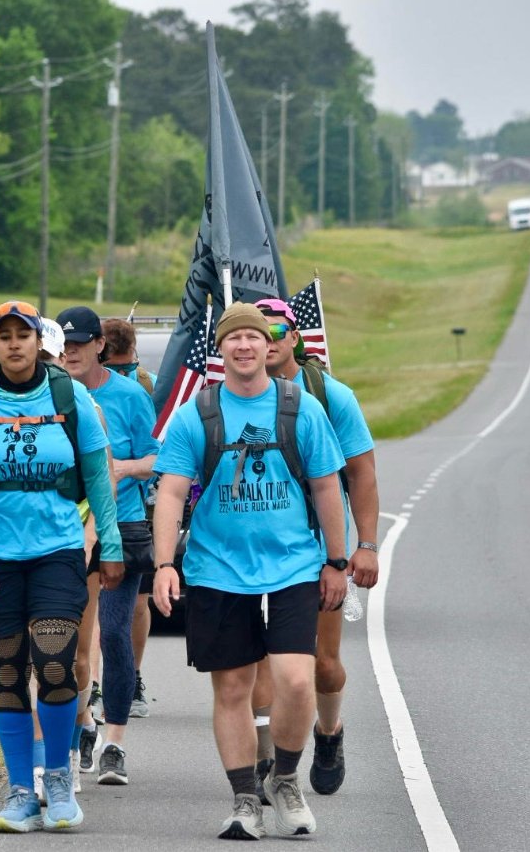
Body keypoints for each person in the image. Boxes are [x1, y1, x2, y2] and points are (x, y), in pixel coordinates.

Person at [151, 302, 348, 840]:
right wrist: (164, 564)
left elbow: (329, 485)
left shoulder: (300, 408)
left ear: (269, 346)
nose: (244, 346)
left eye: (253, 337)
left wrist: (337, 560)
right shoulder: (198, 414)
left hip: (292, 567)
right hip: (216, 569)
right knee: (233, 688)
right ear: (221, 348)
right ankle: (244, 800)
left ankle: (284, 779)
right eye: (233, 337)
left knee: (294, 679)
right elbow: (170, 491)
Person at [0, 300, 123, 833]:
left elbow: (98, 476)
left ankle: (59, 781)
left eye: (24, 334)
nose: (15, 343)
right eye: (5, 336)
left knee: (53, 665)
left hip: (58, 552)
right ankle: (21, 792)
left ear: (36, 341)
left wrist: (109, 544)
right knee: (6, 674)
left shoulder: (73, 397)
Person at [250, 297, 380, 798]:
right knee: (259, 664)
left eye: (279, 327)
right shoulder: (232, 395)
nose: (270, 337)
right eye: (260, 328)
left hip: (316, 552)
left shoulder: (331, 396)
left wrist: (362, 546)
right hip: (250, 551)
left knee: (322, 665)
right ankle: (265, 764)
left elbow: (361, 473)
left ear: (295, 336)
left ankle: (329, 733)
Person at [56, 305, 159, 785]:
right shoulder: (46, 397)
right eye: (64, 343)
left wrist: (121, 470)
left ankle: (114, 741)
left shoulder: (130, 395)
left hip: (124, 527)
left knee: (114, 632)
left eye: (81, 342)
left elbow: (156, 459)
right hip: (66, 534)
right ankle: (83, 723)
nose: (71, 351)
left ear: (101, 345)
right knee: (73, 645)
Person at [101, 317, 158, 719]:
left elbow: (156, 455)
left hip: (138, 507)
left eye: (129, 366)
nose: (126, 373)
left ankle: (131, 675)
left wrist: (123, 469)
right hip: (91, 517)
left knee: (136, 603)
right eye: (117, 368)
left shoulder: (144, 385)